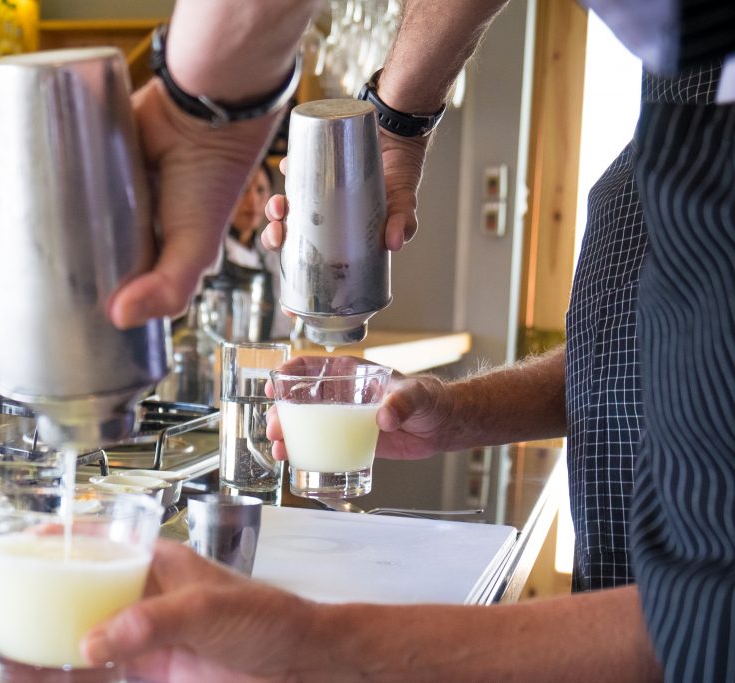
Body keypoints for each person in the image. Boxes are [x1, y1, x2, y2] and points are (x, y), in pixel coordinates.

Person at [93, 0, 733, 679]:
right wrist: (457, 413)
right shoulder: (690, 86)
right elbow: (655, 356)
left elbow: (712, 623)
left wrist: (323, 646)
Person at [214, 160, 290, 340]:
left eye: (261, 190)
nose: (253, 201)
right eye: (242, 190)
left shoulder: (274, 256)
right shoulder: (209, 255)